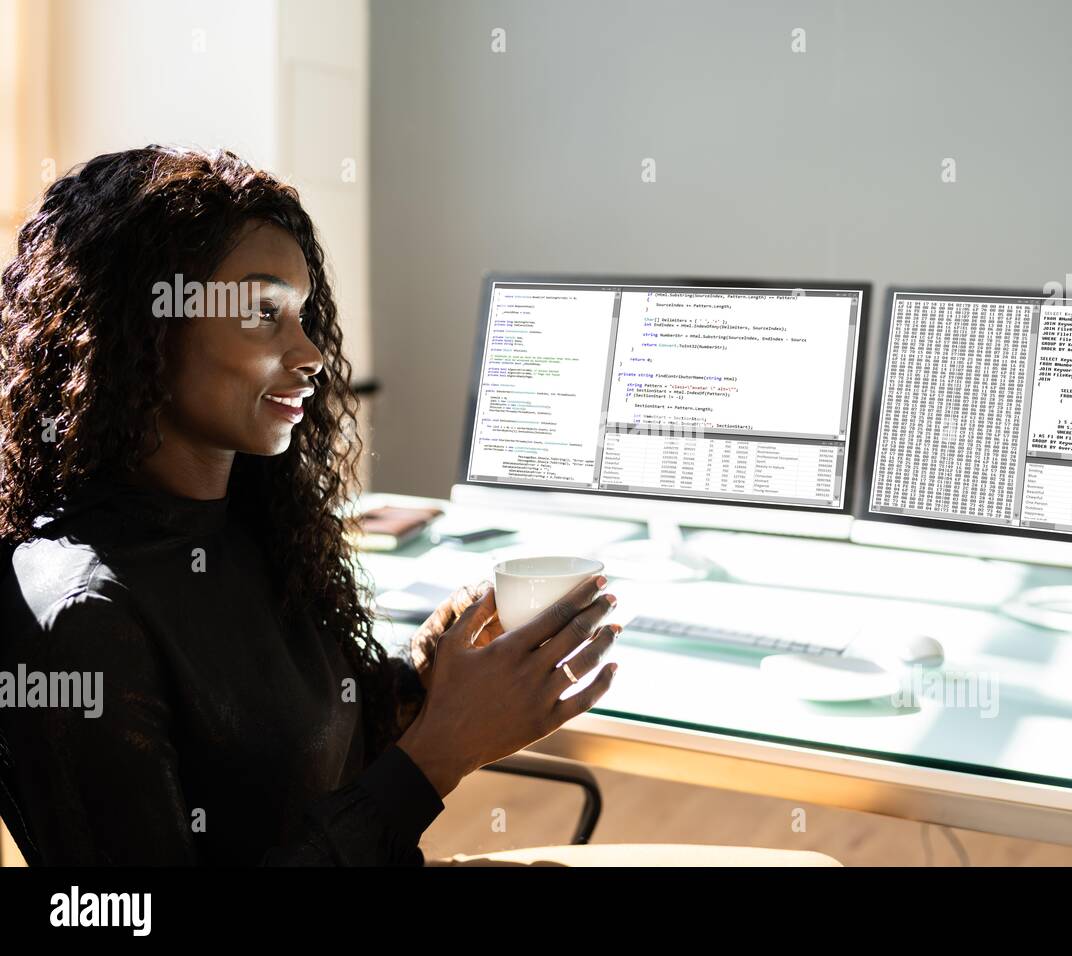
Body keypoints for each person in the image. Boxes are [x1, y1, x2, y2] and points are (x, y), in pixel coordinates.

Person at [0, 145, 619, 865]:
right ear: (141, 326)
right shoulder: (80, 617)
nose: (312, 353)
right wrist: (434, 760)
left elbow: (297, 751)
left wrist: (433, 674)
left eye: (303, 314)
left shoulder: (255, 525)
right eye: (263, 313)